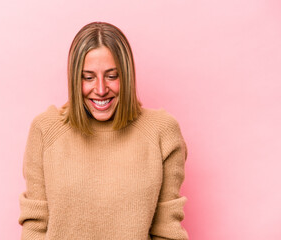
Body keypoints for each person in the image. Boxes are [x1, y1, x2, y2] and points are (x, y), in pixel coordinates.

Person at [18, 22, 189, 240]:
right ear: (74, 79)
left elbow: (167, 230)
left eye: (112, 76)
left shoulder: (161, 132)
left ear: (126, 76)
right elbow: (35, 227)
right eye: (88, 77)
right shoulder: (45, 130)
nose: (100, 90)